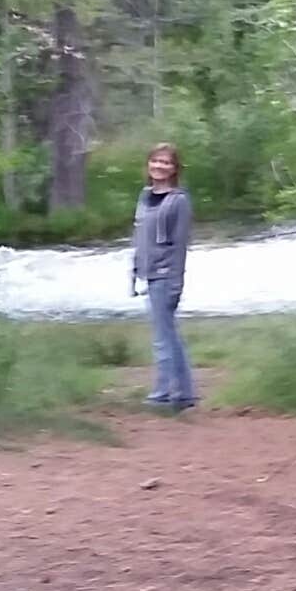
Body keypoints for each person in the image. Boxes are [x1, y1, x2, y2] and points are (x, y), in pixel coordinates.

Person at [129, 143, 197, 409]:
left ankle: (163, 392)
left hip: (166, 275)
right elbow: (140, 236)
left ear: (175, 169)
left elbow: (180, 245)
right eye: (155, 161)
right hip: (148, 272)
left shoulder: (178, 201)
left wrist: (175, 283)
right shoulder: (145, 196)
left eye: (166, 162)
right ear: (148, 164)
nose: (159, 166)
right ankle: (184, 392)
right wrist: (135, 268)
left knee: (161, 337)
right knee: (169, 334)